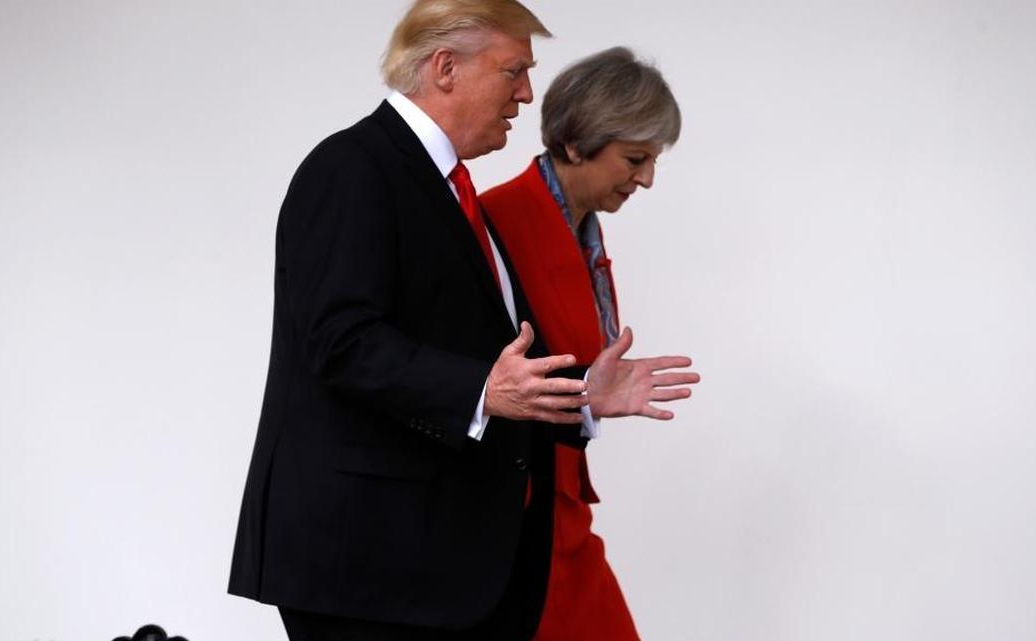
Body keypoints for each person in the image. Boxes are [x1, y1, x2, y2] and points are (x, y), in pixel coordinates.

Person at [226, 3, 697, 639]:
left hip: (429, 564)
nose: (528, 95)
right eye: (514, 72)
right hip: (363, 564)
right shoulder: (352, 168)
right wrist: (481, 391)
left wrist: (584, 393)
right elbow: (340, 343)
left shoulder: (452, 190)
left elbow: (475, 353)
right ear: (446, 68)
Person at [481, 47, 693, 641]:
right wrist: (583, 399)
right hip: (514, 524)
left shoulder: (582, 231)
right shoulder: (497, 222)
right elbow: (486, 383)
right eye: (634, 158)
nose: (646, 178)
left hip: (562, 509)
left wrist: (590, 402)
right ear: (575, 144)